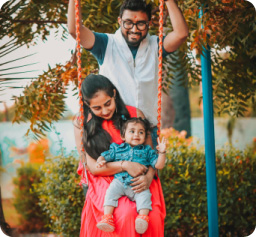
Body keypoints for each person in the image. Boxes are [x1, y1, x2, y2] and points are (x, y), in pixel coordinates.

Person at [68, 0, 189, 147]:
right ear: (119, 21)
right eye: (128, 23)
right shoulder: (106, 44)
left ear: (149, 23)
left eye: (141, 24)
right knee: (114, 169)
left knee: (148, 169)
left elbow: (181, 34)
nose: (134, 29)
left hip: (145, 129)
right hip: (113, 129)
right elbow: (75, 30)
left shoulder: (155, 45)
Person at [74, 74, 166, 236]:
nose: (104, 111)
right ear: (87, 105)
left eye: (107, 104)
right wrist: (124, 165)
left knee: (151, 215)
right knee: (125, 214)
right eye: (97, 108)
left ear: (114, 94)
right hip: (105, 178)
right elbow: (94, 168)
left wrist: (148, 177)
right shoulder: (82, 123)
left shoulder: (134, 114)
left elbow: (150, 155)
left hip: (140, 175)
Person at [96, 117, 167, 234]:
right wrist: (101, 160)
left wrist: (162, 153)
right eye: (132, 131)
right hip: (119, 181)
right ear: (123, 136)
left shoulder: (147, 151)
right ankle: (107, 217)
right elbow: (105, 155)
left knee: (145, 197)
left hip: (137, 184)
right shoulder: (117, 148)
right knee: (110, 193)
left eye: (141, 132)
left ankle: (142, 218)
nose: (136, 135)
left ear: (145, 137)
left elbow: (158, 165)